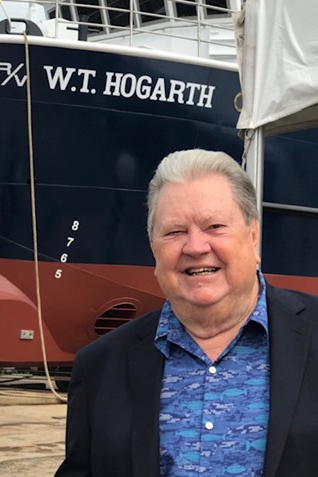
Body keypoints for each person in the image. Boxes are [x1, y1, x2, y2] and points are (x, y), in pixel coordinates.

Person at [55, 149, 318, 477]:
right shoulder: (99, 367)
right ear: (154, 248)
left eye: (214, 226)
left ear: (253, 235)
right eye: (175, 232)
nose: (195, 247)